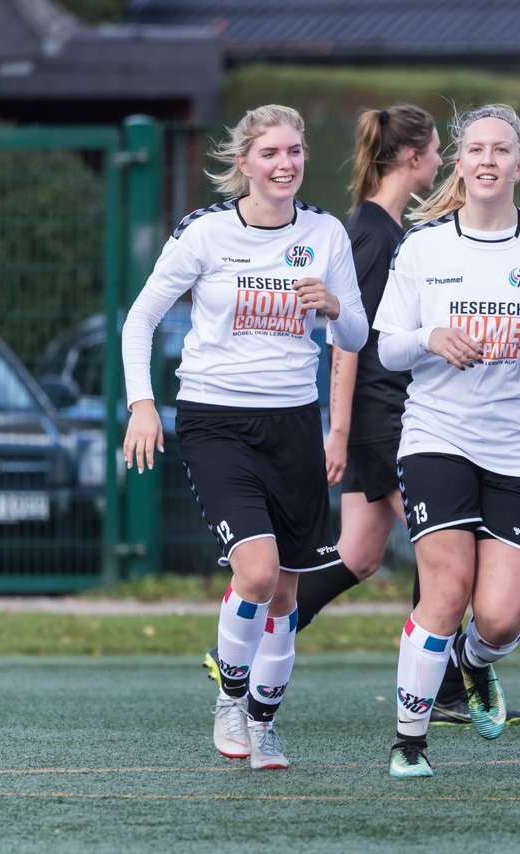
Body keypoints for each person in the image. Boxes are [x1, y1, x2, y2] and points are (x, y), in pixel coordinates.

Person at [196, 104, 520, 726]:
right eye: (438, 151)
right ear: (413, 157)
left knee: (360, 555)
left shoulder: (389, 228)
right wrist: (340, 429)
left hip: (383, 412)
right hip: (385, 416)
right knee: (444, 547)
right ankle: (451, 685)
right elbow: (347, 337)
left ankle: (238, 646)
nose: (445, 162)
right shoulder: (371, 235)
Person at [122, 104, 368, 770]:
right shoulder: (204, 234)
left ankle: (263, 722)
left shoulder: (325, 235)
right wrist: (142, 404)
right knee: (256, 573)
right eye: (270, 153)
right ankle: (230, 698)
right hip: (214, 420)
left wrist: (336, 308)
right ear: (244, 164)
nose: (284, 164)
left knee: (286, 594)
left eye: (294, 151)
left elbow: (357, 338)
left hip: (293, 422)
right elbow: (139, 321)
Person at [374, 103, 520, 777]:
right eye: (475, 150)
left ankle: (472, 662)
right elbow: (387, 348)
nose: (488, 160)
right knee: (446, 586)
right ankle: (409, 743)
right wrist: (431, 337)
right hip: (437, 435)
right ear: (459, 165)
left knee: (498, 616)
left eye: (501, 150)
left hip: (518, 448)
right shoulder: (425, 247)